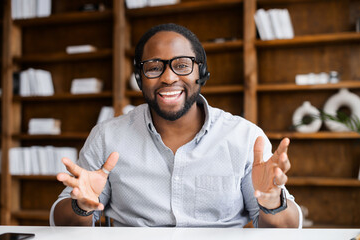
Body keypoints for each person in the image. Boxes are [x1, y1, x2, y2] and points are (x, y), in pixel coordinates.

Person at [50, 23, 302, 228]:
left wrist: (272, 202)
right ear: (140, 78)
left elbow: (288, 231)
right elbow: (61, 223)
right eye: (154, 67)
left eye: (182, 65)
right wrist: (80, 206)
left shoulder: (245, 137)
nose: (169, 77)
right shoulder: (107, 136)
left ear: (200, 73)